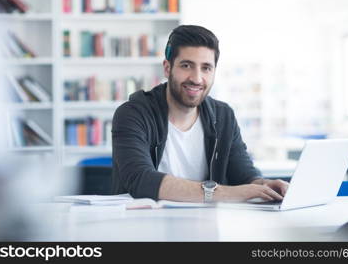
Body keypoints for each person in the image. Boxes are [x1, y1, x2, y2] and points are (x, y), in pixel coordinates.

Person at [112, 25, 288, 203]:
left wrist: (263, 186)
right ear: (167, 68)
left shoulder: (223, 116)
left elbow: (244, 175)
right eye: (186, 65)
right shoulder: (133, 114)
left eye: (206, 68)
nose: (196, 78)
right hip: (144, 225)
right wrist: (226, 193)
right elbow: (141, 180)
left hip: (206, 226)